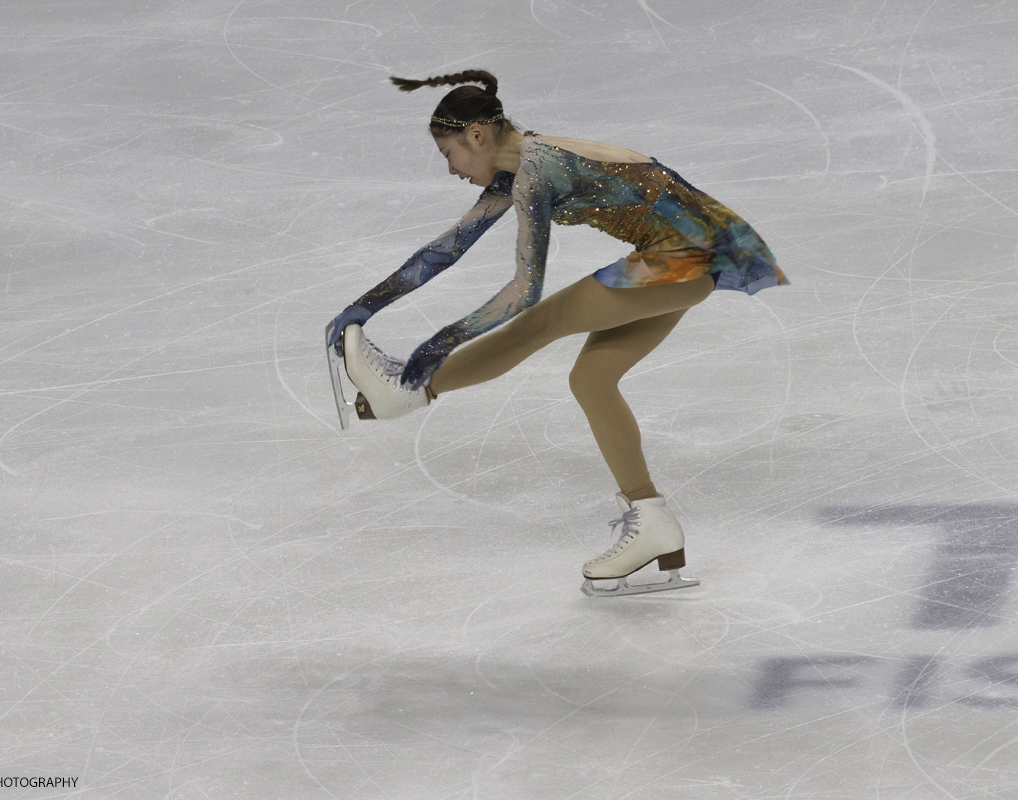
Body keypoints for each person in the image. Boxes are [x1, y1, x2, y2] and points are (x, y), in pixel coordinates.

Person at [327, 69, 787, 596]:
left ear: (477, 135)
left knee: (539, 323)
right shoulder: (520, 168)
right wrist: (362, 308)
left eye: (448, 153)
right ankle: (653, 521)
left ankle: (410, 391)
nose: (451, 170)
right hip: (684, 255)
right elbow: (444, 250)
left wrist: (430, 353)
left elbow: (526, 290)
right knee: (592, 379)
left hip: (686, 257)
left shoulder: (537, 170)